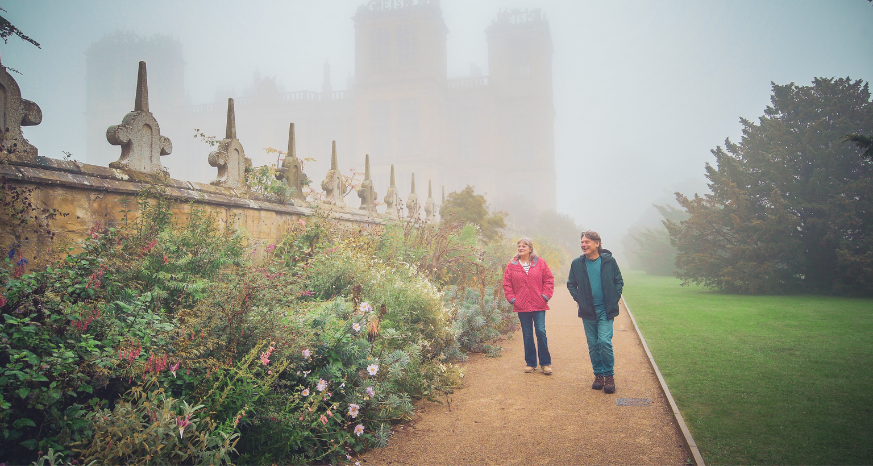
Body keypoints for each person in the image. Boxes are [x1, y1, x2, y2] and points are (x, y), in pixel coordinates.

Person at [567, 230, 624, 394]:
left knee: (604, 342)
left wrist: (614, 297)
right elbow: (571, 284)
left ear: (597, 244)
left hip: (606, 310)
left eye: (587, 242)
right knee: (593, 345)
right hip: (588, 311)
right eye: (582, 242)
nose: (583, 244)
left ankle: (609, 376)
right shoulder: (577, 263)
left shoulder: (609, 261)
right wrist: (581, 300)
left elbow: (618, 281)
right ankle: (598, 375)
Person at [502, 237, 555, 375]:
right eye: (519, 246)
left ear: (530, 249)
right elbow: (506, 284)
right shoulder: (512, 265)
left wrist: (545, 296)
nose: (520, 248)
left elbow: (549, 279)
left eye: (524, 246)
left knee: (540, 331)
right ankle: (531, 363)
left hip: (538, 304)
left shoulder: (540, 262)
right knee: (527, 335)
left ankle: (545, 363)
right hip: (522, 305)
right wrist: (513, 299)